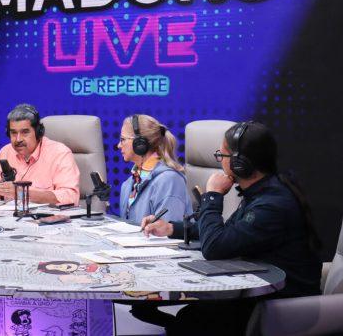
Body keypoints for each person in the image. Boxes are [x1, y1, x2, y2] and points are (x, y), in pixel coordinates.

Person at [136, 121, 322, 335]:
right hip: (258, 293)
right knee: (187, 316)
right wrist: (171, 228)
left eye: (221, 155)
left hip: (280, 304)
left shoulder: (271, 205)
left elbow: (214, 247)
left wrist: (212, 196)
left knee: (190, 320)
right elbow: (228, 233)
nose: (220, 161)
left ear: (240, 163)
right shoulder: (262, 192)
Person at [0, 104, 79, 205]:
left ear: (38, 132)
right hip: (10, 217)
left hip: (46, 218)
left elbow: (70, 196)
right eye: (13, 133)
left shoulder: (60, 153)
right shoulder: (6, 152)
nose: (18, 139)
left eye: (25, 132)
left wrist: (21, 193)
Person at [116, 114, 191, 224]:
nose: (118, 145)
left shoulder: (169, 181)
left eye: (123, 139)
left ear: (139, 143)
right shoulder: (128, 184)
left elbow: (168, 231)